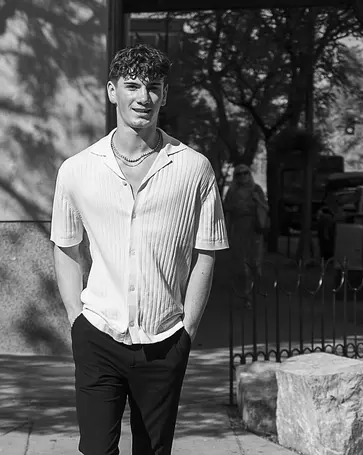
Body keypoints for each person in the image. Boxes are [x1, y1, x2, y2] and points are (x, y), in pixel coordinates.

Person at [50, 43, 229, 455]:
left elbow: (206, 253)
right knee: (96, 450)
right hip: (97, 335)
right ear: (112, 91)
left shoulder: (194, 168)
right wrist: (76, 320)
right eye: (132, 85)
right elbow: (66, 246)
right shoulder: (77, 170)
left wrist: (187, 332)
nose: (143, 97)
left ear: (165, 95)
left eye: (153, 87)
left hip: (165, 340)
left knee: (153, 451)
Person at [223, 164, 269, 307]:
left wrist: (258, 200)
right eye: (239, 174)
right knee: (242, 263)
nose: (243, 176)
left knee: (255, 262)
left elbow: (266, 208)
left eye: (245, 173)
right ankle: (246, 293)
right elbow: (227, 211)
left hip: (254, 229)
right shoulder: (232, 192)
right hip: (238, 229)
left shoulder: (256, 189)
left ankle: (255, 290)